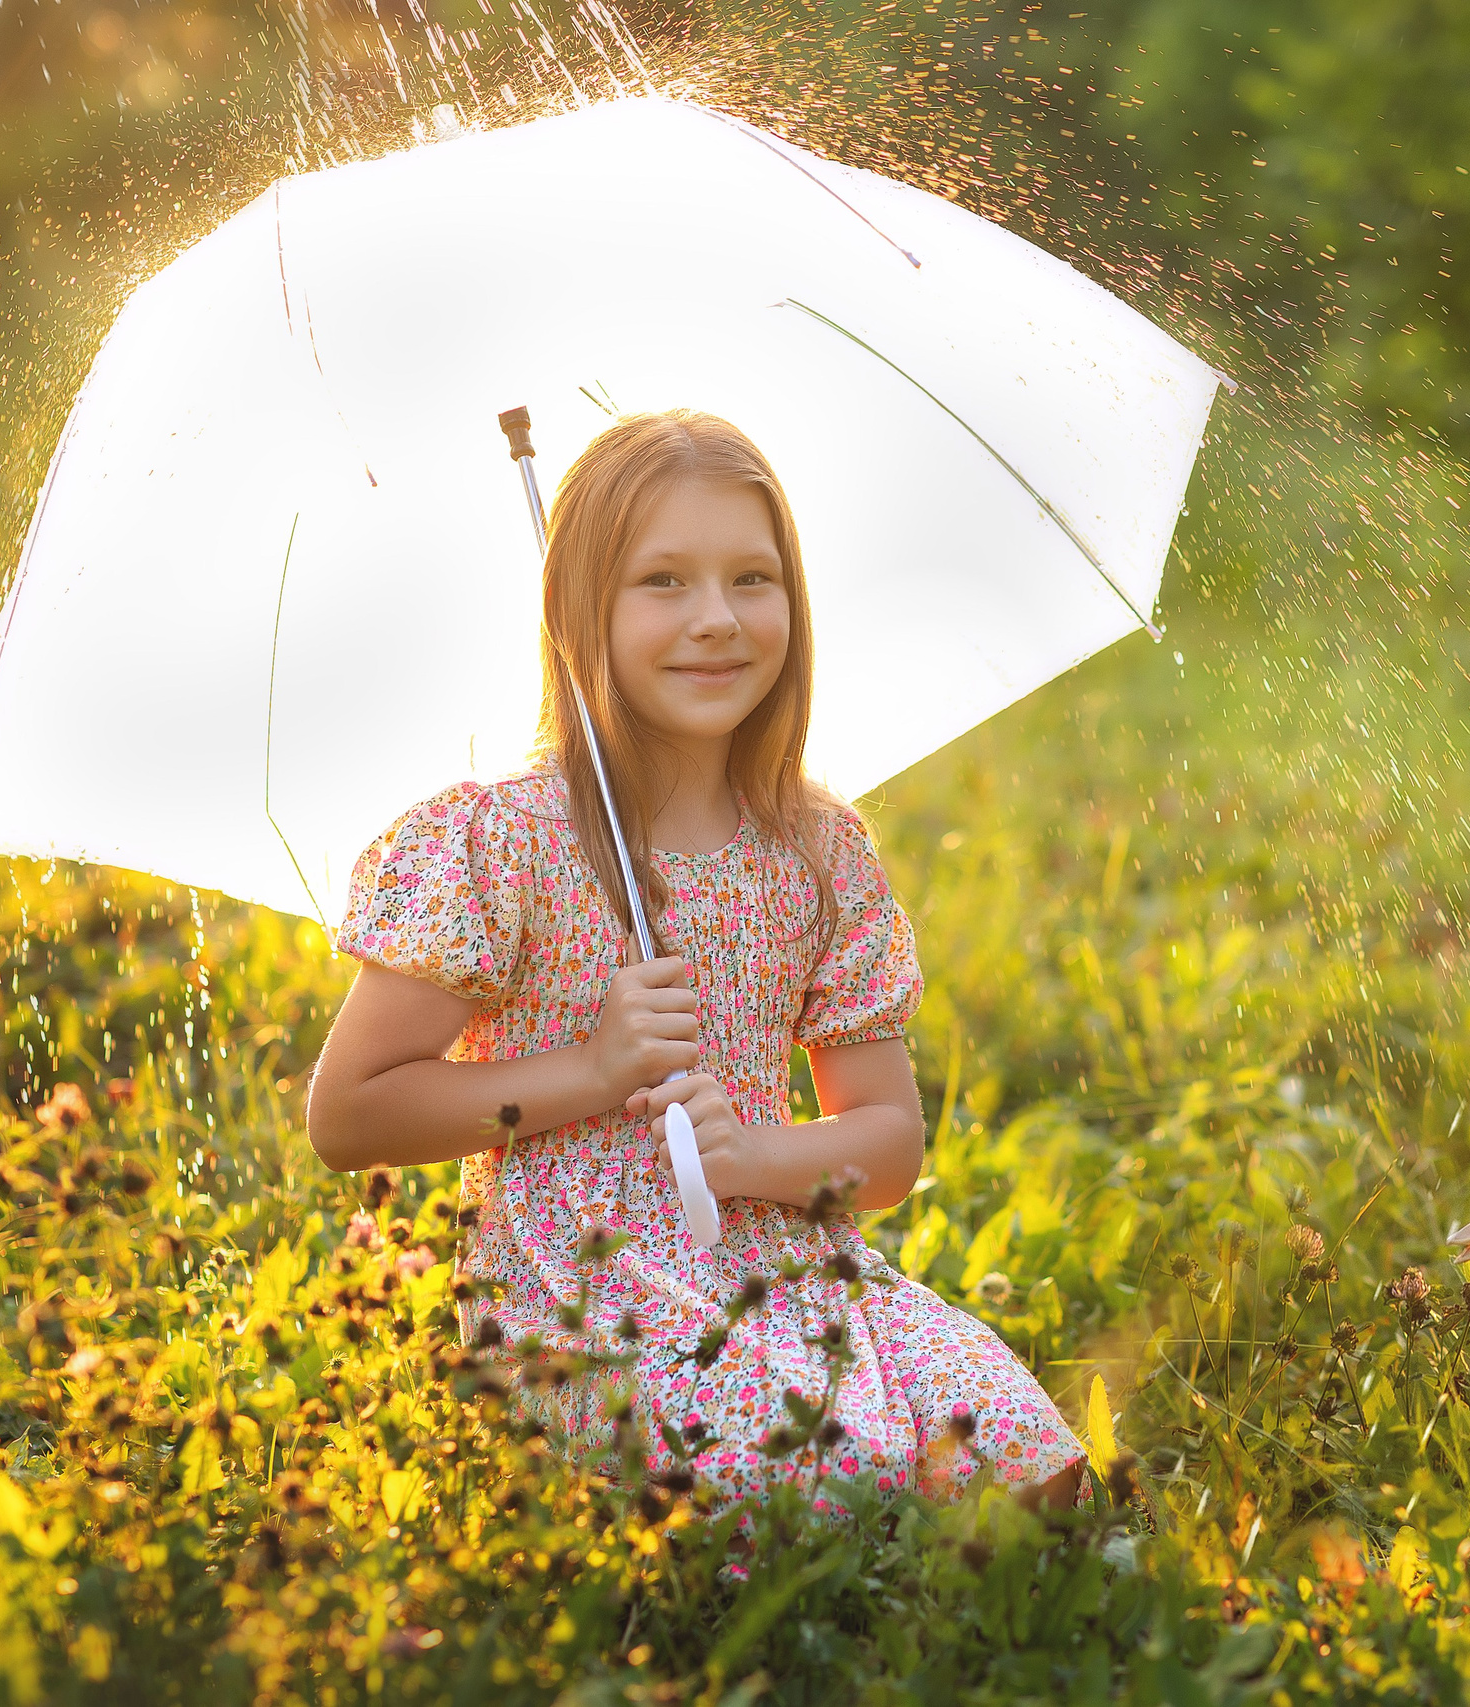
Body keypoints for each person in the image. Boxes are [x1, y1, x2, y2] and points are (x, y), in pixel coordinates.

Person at [305, 409, 1086, 1509]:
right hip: (580, 1290)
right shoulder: (504, 841)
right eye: (663, 581)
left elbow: (887, 1140)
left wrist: (753, 1155)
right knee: (821, 1477)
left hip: (792, 1264)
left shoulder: (815, 850)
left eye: (751, 579)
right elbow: (349, 1115)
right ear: (580, 611)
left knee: (1033, 1464)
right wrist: (593, 1071)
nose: (716, 618)